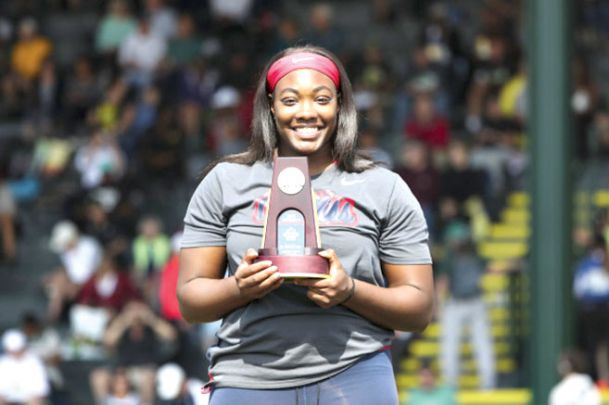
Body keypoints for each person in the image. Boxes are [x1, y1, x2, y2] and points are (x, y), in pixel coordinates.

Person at [177, 45, 434, 405]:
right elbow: (191, 301)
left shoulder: (383, 187)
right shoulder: (225, 181)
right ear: (270, 105)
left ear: (340, 104)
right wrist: (240, 287)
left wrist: (349, 291)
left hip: (354, 373)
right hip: (248, 378)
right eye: (291, 100)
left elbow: (419, 308)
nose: (307, 112)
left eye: (322, 98)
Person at [0, 329, 50, 405]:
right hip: (8, 398)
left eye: (18, 350)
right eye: (12, 351)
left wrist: (34, 397)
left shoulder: (34, 362)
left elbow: (42, 389)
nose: (15, 353)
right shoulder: (3, 363)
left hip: (31, 398)